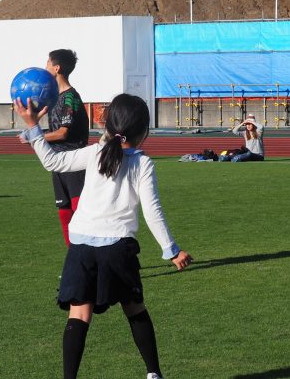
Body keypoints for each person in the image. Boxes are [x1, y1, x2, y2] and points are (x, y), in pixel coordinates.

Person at [14, 93, 192, 379]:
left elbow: (52, 162)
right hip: (117, 246)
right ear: (144, 131)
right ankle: (153, 374)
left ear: (109, 125)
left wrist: (34, 126)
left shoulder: (96, 152)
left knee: (79, 314)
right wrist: (171, 250)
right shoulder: (142, 163)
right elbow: (152, 211)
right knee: (134, 309)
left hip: (81, 245)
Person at [45, 49, 90, 247]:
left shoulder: (70, 97)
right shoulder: (54, 97)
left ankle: (89, 253)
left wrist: (36, 138)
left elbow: (63, 133)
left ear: (57, 68)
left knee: (79, 211)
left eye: (47, 63)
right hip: (58, 162)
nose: (44, 67)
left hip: (74, 162)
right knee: (64, 213)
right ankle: (74, 257)